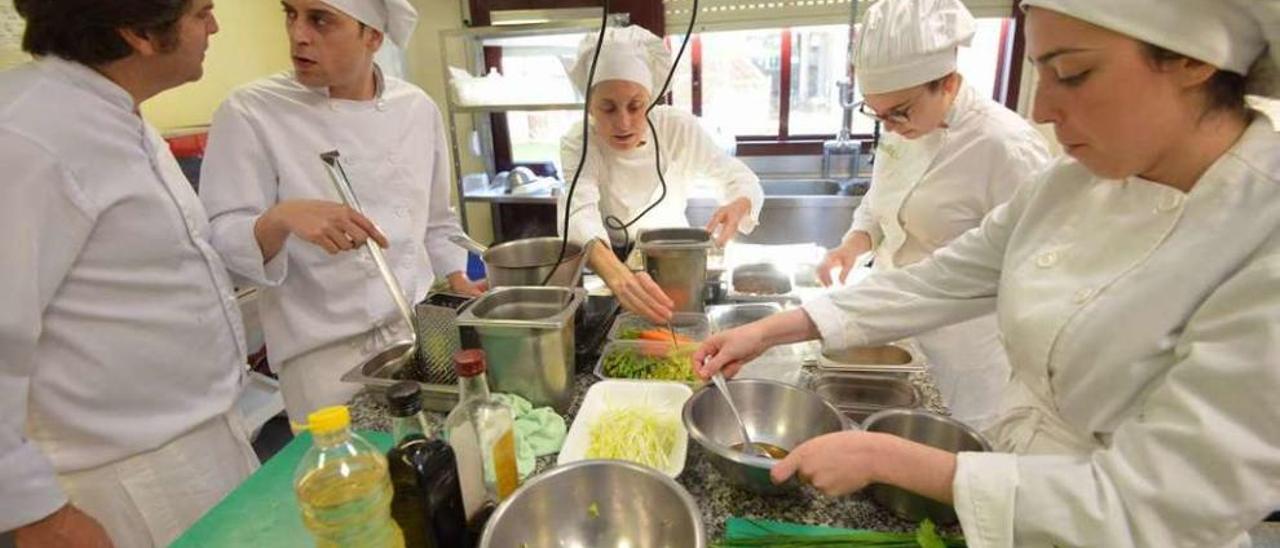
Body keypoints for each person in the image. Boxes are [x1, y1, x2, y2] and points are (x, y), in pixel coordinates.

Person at [693, 1, 1280, 545]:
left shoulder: (1262, 239)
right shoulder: (1071, 184)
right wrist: (772, 329)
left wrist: (892, 460)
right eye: (1040, 72)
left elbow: (1158, 506)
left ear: (1192, 62)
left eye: (1071, 73)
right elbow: (940, 278)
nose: (1043, 107)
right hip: (1012, 482)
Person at [0, 1, 259, 545]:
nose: (213, 27)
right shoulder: (24, 138)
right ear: (139, 32)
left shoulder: (113, 112)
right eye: (201, 14)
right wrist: (42, 516)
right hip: (126, 482)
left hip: (203, 443)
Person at [200, 0, 481, 423]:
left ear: (373, 36)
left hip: (412, 332)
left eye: (320, 19)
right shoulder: (250, 112)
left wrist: (460, 281)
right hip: (320, 358)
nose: (299, 35)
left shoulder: (416, 109)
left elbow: (437, 221)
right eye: (290, 14)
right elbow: (219, 242)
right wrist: (280, 217)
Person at [814, 0, 1051, 429]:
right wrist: (854, 243)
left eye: (899, 112)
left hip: (967, 353)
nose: (889, 126)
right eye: (877, 113)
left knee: (953, 450)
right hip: (894, 331)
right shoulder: (905, 129)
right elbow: (879, 199)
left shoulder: (1006, 147)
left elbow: (1030, 266)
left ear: (948, 82)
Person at [559, 25, 765, 323]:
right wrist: (617, 275)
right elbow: (579, 209)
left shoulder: (676, 128)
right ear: (590, 106)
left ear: (652, 98)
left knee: (678, 323)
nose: (623, 122)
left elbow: (736, 176)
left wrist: (739, 202)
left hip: (675, 259)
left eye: (635, 105)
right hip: (609, 260)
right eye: (607, 108)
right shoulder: (579, 140)